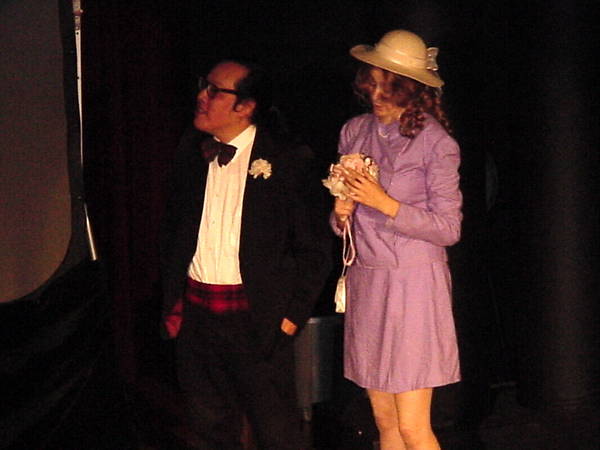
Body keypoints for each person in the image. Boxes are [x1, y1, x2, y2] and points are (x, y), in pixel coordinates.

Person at [160, 59, 330, 449]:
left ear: (246, 106)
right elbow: (171, 231)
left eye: (214, 90)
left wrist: (291, 318)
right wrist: (174, 302)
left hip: (258, 320)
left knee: (276, 433)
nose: (202, 96)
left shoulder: (286, 159)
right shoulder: (191, 150)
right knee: (209, 430)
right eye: (203, 85)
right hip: (198, 318)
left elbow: (314, 248)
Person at [331, 30, 462, 449]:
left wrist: (385, 204)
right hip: (368, 282)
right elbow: (345, 223)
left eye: (388, 86)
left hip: (413, 286)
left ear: (410, 88)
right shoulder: (354, 131)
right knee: (385, 422)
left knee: (412, 426)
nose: (376, 94)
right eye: (371, 83)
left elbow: (449, 229)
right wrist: (341, 213)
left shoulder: (436, 142)